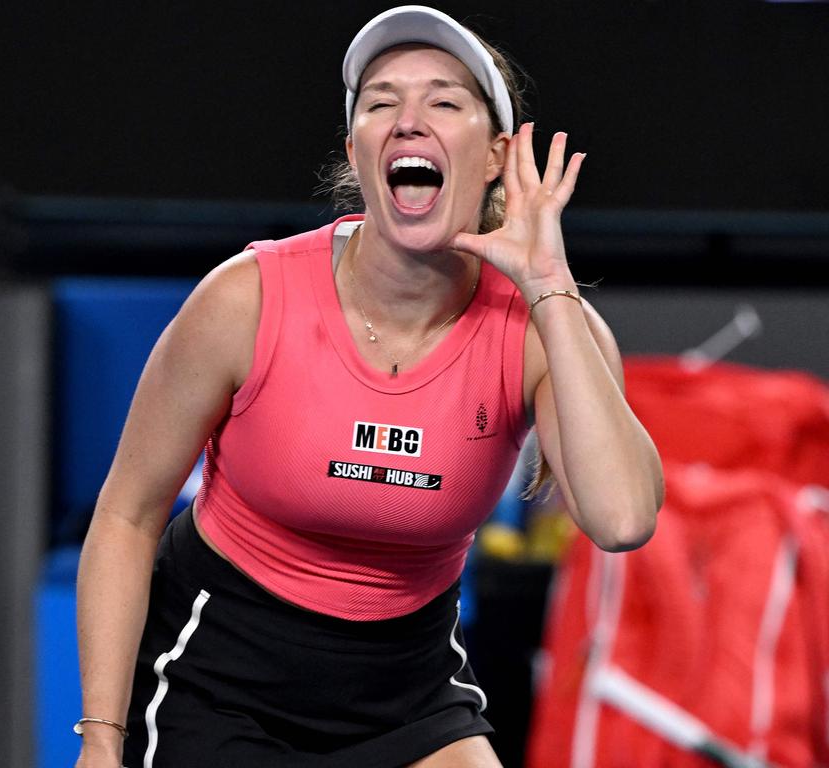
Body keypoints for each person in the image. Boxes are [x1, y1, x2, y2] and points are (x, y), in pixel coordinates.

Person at [74, 6, 663, 767]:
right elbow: (126, 515)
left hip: (406, 689)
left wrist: (550, 285)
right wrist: (101, 740)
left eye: (444, 101)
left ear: (495, 157)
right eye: (381, 102)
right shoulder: (245, 300)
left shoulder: (541, 329)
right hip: (217, 677)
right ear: (357, 152)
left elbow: (621, 520)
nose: (408, 121)